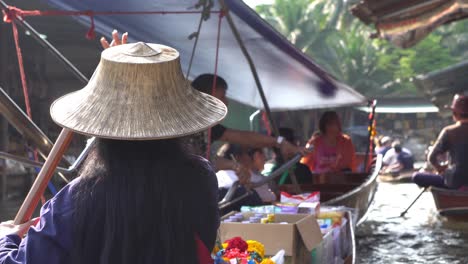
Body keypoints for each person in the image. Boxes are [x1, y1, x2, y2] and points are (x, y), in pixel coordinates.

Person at [0, 42, 224, 263]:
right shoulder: (200, 177)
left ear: (103, 126)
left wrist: (6, 239)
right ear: (176, 119)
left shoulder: (79, 198)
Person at [100, 31, 306, 177]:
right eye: (222, 95)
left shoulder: (209, 127)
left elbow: (243, 137)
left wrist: (278, 142)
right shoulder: (176, 120)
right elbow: (193, 160)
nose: (225, 102)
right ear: (205, 94)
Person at [413, 94, 468, 189]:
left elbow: (432, 157)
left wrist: (441, 169)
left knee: (417, 176)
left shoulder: (449, 131)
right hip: (457, 180)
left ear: (455, 114)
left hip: (455, 181)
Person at [216, 144, 276, 213]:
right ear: (236, 157)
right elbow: (270, 198)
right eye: (247, 154)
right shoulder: (249, 177)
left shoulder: (215, 177)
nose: (250, 158)